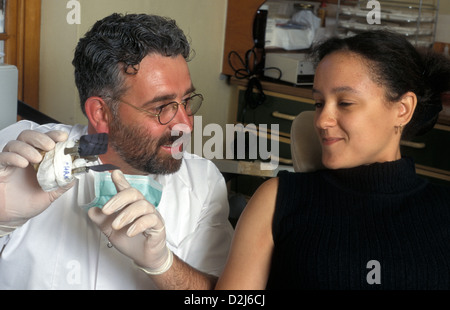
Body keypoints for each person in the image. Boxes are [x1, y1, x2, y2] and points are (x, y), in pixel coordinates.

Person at [0, 13, 233, 289]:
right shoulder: (23, 157)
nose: (185, 124)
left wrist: (162, 265)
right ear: (101, 112)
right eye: (161, 108)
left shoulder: (203, 183)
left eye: (186, 101)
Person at [216, 30, 450, 290]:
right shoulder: (277, 200)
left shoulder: (443, 210)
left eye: (346, 103)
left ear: (402, 109)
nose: (322, 120)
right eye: (318, 103)